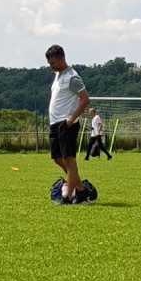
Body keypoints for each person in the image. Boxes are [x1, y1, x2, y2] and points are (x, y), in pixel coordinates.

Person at [45, 44, 91, 204]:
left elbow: (85, 99)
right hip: (55, 123)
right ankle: (81, 189)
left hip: (66, 123)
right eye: (49, 63)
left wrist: (71, 118)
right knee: (58, 158)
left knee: (69, 159)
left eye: (53, 63)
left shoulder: (72, 77)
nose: (51, 66)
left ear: (62, 58)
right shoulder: (58, 76)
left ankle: (68, 196)